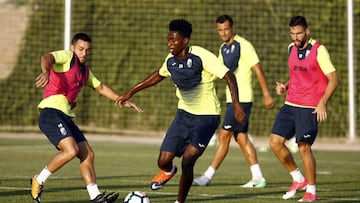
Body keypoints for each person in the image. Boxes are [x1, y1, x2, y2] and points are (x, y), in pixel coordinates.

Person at [116, 19, 245, 203]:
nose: (170, 43)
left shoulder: (201, 56)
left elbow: (229, 76)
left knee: (188, 160)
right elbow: (157, 75)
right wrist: (131, 92)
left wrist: (237, 104)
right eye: (168, 39)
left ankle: (180, 201)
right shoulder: (170, 61)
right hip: (183, 116)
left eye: (173, 40)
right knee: (162, 161)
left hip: (207, 117)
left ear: (185, 41)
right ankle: (169, 171)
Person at [31, 33, 143, 203]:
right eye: (81, 49)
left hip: (65, 116)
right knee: (71, 151)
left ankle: (95, 196)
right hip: (50, 112)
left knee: (88, 154)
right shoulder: (68, 57)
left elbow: (101, 87)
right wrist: (46, 71)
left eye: (87, 50)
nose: (84, 53)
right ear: (73, 47)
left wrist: (122, 99)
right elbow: (47, 57)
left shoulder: (85, 72)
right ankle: (38, 180)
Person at [194, 15, 274, 188]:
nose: (223, 33)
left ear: (233, 28)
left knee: (224, 135)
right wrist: (200, 80)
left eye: (226, 29)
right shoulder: (223, 48)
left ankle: (207, 176)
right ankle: (258, 177)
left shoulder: (244, 45)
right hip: (233, 100)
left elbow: (258, 70)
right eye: (220, 30)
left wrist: (266, 94)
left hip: (242, 99)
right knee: (241, 138)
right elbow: (218, 72)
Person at [269, 16, 339, 202]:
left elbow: (334, 78)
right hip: (291, 103)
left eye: (299, 33)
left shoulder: (319, 50)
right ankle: (298, 178)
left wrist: (323, 101)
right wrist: (285, 86)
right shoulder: (291, 48)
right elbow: (297, 74)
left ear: (307, 31)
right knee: (275, 142)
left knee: (304, 147)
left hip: (309, 106)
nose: (295, 37)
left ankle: (312, 192)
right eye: (292, 33)